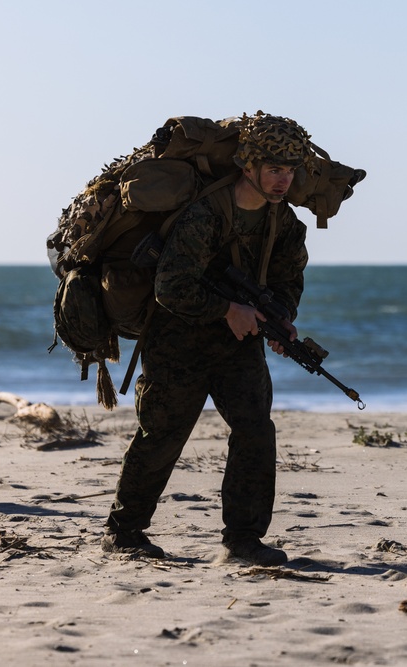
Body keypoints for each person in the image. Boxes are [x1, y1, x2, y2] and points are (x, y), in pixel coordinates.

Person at [101, 112, 313, 565]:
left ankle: (243, 540)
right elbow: (170, 287)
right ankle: (123, 532)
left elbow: (288, 278)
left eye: (290, 171)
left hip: (238, 344)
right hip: (178, 338)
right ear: (249, 166)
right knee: (162, 434)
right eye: (274, 169)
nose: (282, 180)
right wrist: (226, 310)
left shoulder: (285, 224)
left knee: (256, 430)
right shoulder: (205, 214)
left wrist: (280, 319)